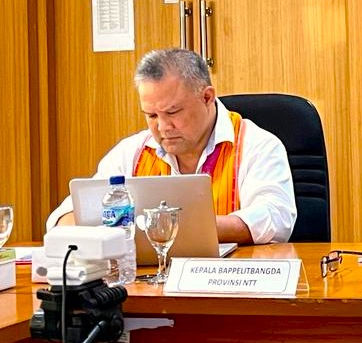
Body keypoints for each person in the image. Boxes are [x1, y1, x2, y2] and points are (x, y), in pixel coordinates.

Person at [47, 49, 296, 244]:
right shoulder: (131, 152)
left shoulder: (257, 145)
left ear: (207, 97)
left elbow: (276, 219)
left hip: (231, 282)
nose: (163, 127)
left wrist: (170, 227)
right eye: (152, 116)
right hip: (147, 284)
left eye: (173, 112)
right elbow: (64, 219)